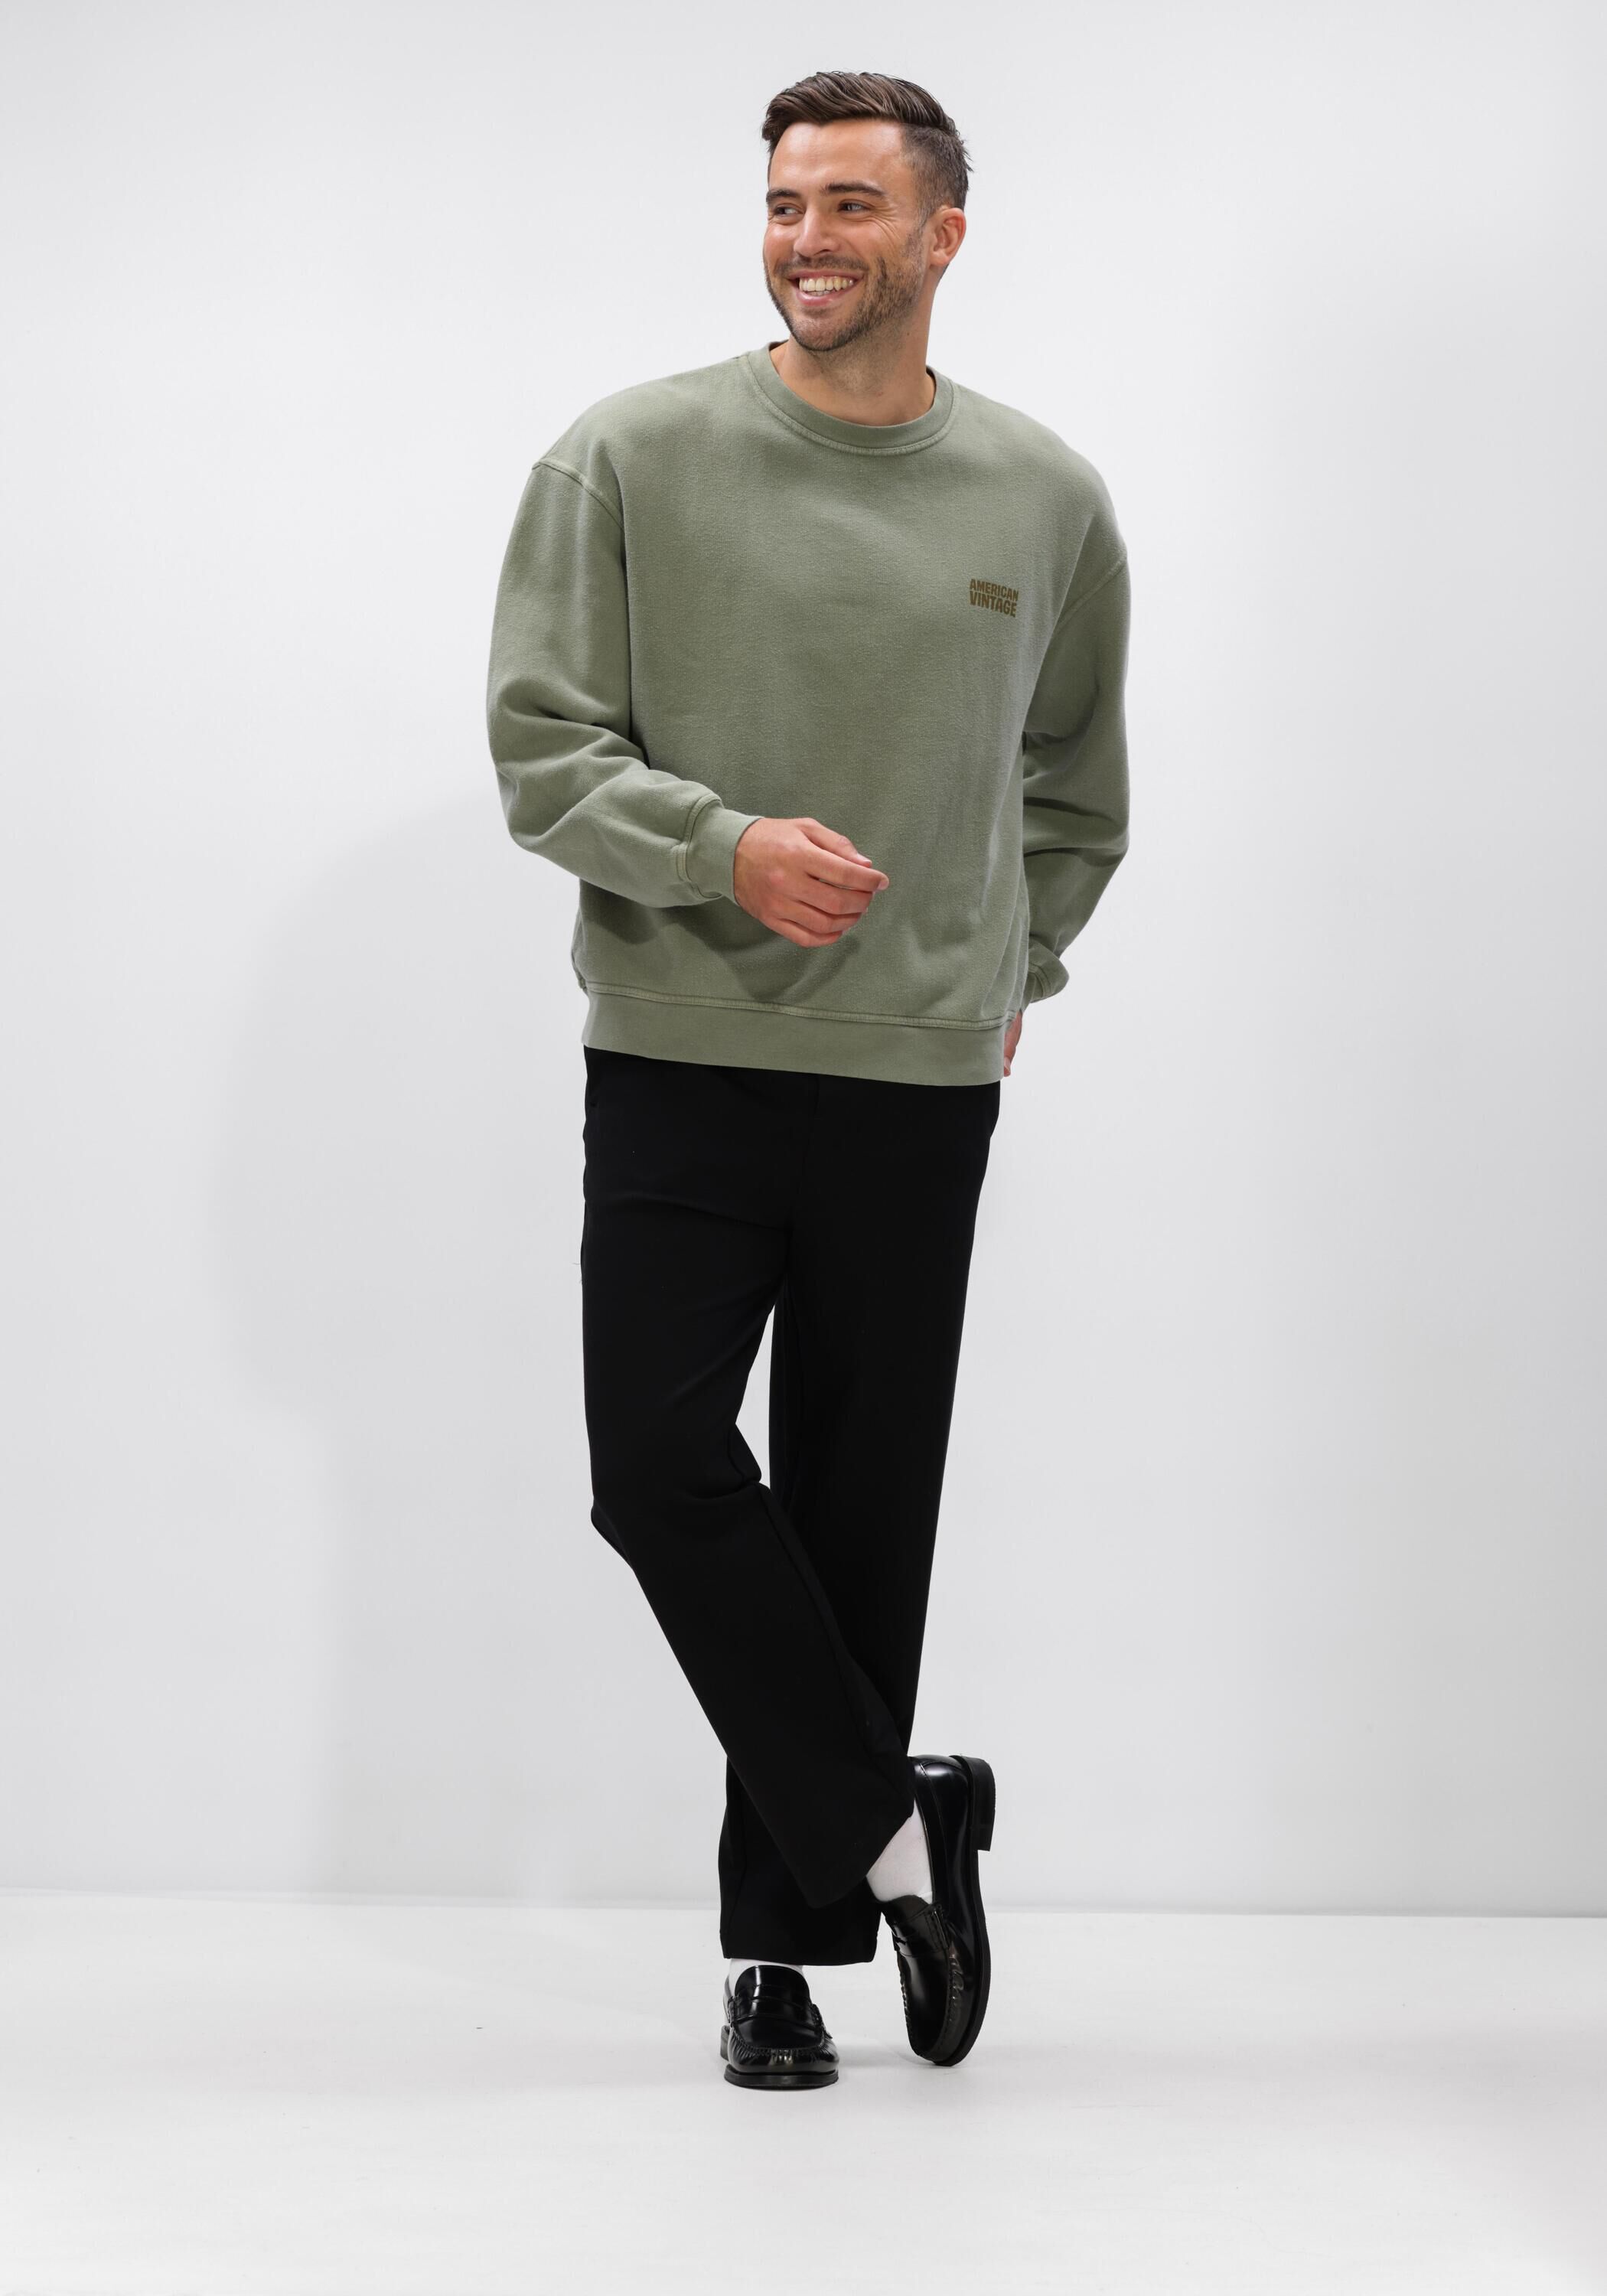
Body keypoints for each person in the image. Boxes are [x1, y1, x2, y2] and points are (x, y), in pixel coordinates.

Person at [484, 68, 1131, 2090]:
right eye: (784, 203)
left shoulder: (1041, 496)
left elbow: (1077, 783)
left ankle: (784, 1958)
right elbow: (542, 750)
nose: (808, 238)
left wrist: (1010, 963)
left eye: (852, 203)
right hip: (682, 1048)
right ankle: (895, 1829)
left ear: (943, 234)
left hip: (917, 1079)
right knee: (660, 1470)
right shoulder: (628, 455)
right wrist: (721, 849)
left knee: (861, 1509)